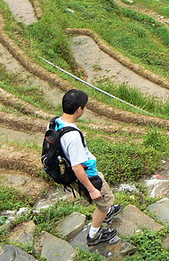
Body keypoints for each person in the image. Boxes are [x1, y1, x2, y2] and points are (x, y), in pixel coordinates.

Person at [54, 89, 121, 245]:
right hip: (85, 174)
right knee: (104, 200)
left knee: (103, 191)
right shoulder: (72, 137)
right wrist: (91, 189)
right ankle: (94, 234)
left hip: (77, 168)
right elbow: (77, 168)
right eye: (84, 106)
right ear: (79, 110)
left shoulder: (56, 122)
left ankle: (107, 211)